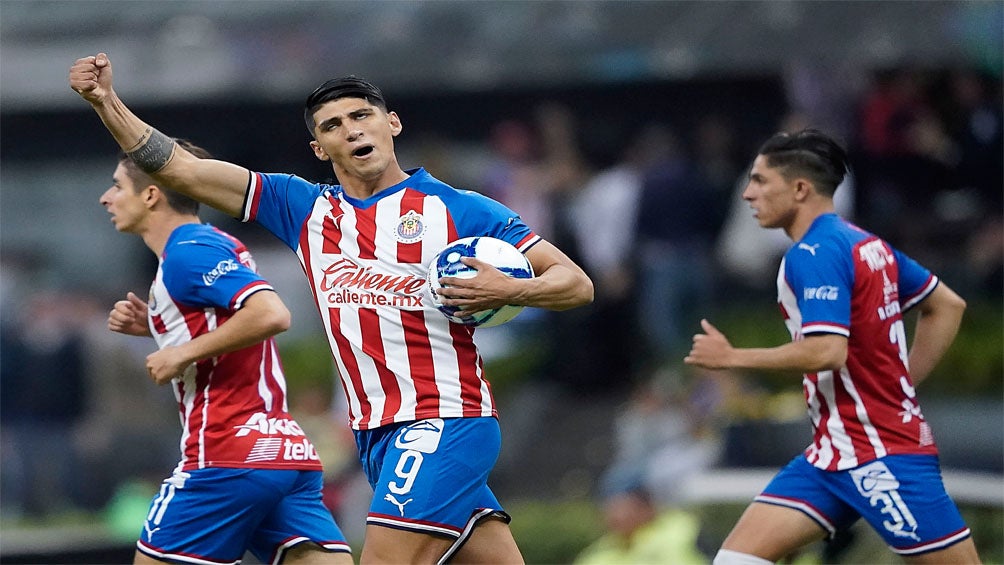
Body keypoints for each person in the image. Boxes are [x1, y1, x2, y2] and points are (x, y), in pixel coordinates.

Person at [71, 53, 594, 564]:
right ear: (319, 147)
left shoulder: (461, 208)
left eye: (361, 115)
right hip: (374, 433)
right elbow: (182, 169)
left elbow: (575, 283)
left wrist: (510, 289)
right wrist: (106, 102)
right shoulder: (303, 207)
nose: (350, 130)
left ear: (391, 123)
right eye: (332, 125)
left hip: (443, 418)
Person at [684, 129, 981, 564]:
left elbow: (827, 351)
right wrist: (903, 386)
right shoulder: (866, 244)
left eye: (761, 180)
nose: (748, 194)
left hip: (880, 454)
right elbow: (947, 305)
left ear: (800, 188)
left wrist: (732, 358)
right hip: (831, 454)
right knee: (736, 560)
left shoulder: (815, 253)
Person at [97, 139, 352, 564]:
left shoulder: (187, 252)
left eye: (118, 186)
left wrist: (179, 353)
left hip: (225, 453)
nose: (107, 197)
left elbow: (270, 313)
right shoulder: (210, 244)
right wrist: (159, 327)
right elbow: (230, 328)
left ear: (151, 194)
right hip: (283, 453)